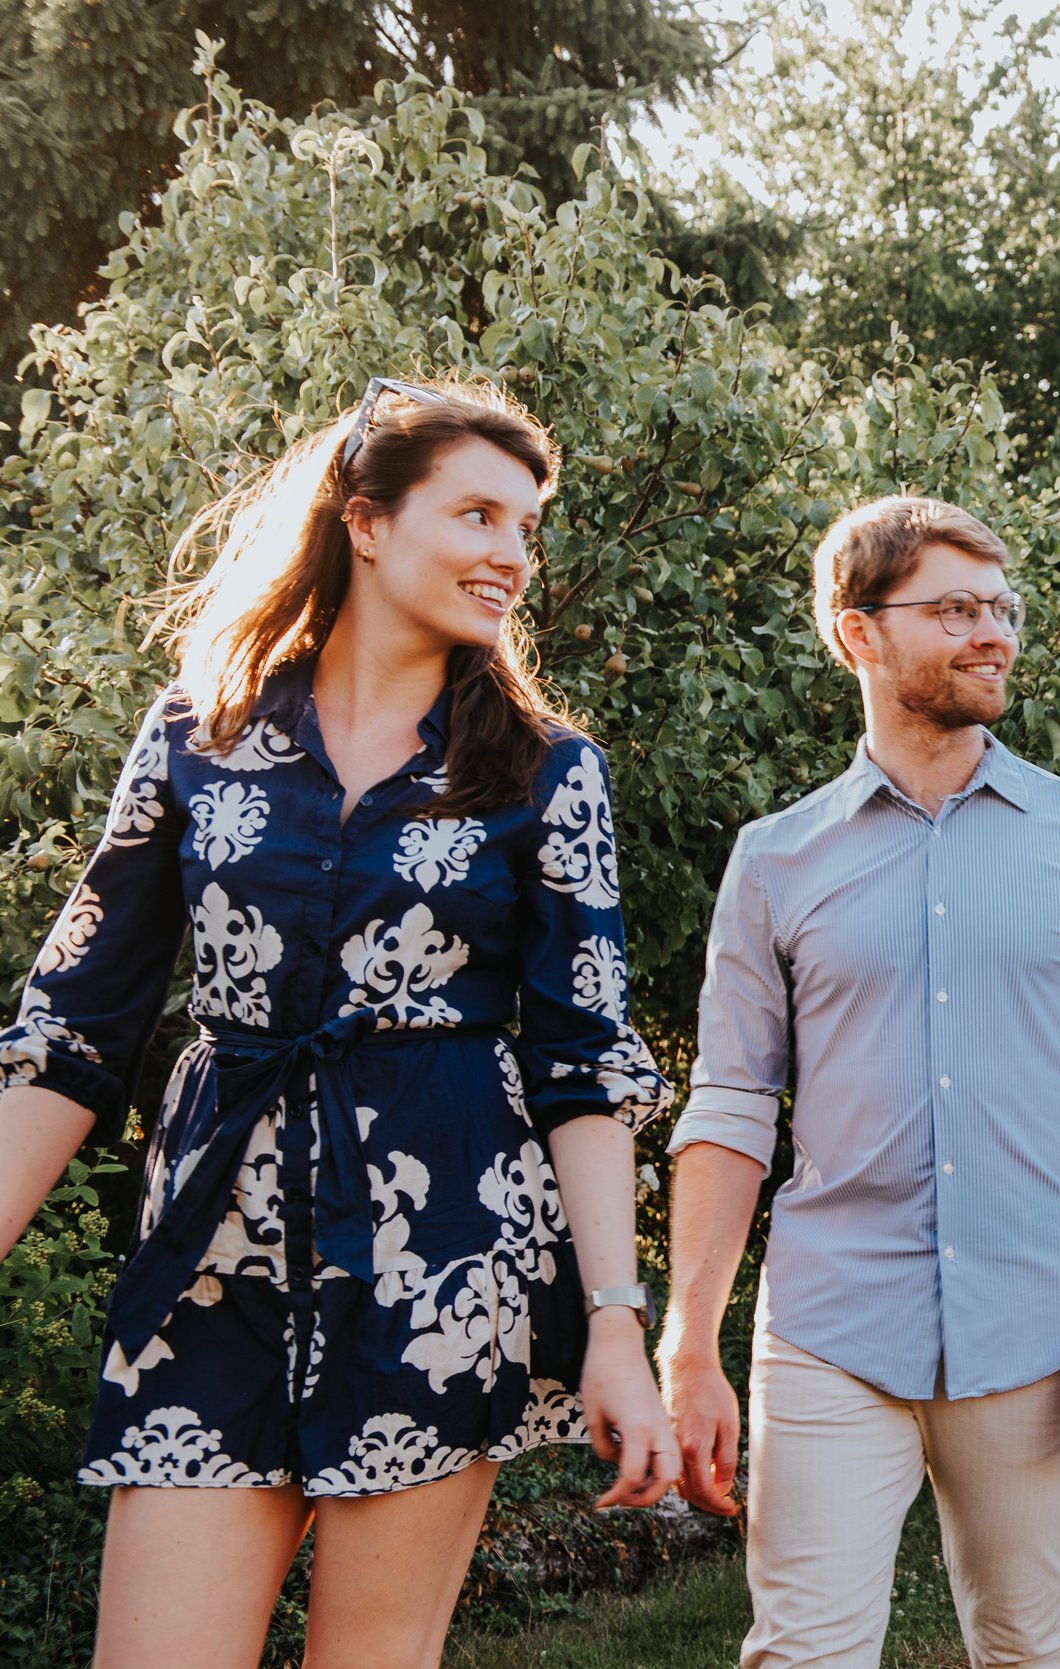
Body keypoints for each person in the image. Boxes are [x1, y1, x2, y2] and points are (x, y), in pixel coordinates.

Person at [0, 376, 679, 1669]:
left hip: (441, 1272)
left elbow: (584, 1070)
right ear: (364, 519)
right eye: (479, 514)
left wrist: (615, 1326)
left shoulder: (546, 773)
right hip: (216, 1266)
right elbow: (70, 1031)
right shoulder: (197, 739)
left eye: (527, 528)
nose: (511, 555)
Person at [658, 495, 1060, 1669]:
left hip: (1037, 1322)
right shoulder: (776, 857)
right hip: (834, 1320)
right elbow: (732, 1105)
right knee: (803, 1650)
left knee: (1026, 1640)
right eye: (954, 609)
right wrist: (690, 1343)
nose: (992, 632)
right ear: (859, 634)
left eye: (1001, 607)